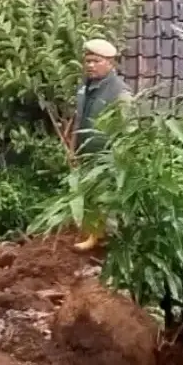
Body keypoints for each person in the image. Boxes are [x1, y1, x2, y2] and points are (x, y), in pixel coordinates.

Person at [72, 38, 131, 252]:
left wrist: (119, 158)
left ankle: (111, 241)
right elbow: (78, 120)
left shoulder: (120, 93)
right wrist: (72, 149)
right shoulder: (85, 88)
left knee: (107, 198)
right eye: (87, 61)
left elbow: (126, 130)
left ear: (110, 63)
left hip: (107, 156)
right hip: (86, 152)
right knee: (89, 196)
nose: (90, 65)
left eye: (96, 61)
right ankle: (93, 236)